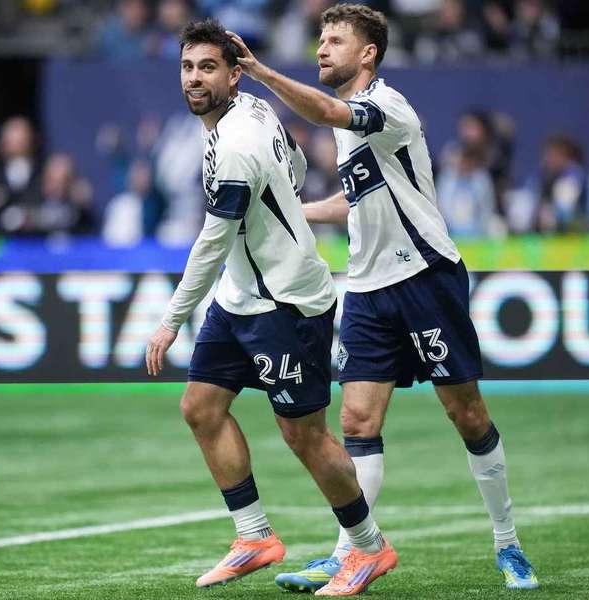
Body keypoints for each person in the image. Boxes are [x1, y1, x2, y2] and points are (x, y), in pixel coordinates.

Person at [227, 3, 539, 592]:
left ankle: (508, 544)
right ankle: (353, 551)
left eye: (335, 40)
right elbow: (354, 199)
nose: (321, 48)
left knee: (466, 414)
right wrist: (287, 211)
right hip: (368, 288)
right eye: (320, 38)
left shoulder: (386, 107)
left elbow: (323, 110)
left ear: (367, 53)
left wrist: (264, 74)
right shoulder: (352, 130)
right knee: (356, 419)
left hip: (425, 276)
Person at [144, 19, 397, 592]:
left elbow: (212, 243)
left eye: (208, 68)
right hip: (241, 299)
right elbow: (299, 169)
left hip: (287, 303)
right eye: (187, 68)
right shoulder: (252, 110)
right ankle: (254, 536)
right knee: (201, 408)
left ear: (235, 75)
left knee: (304, 435)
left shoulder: (234, 144)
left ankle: (368, 548)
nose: (194, 79)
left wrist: (168, 323)